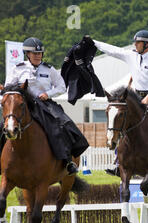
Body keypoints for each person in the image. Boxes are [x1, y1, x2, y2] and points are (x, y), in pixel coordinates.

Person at [86, 31, 148, 173]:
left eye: (138, 42)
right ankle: (118, 164)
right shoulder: (131, 56)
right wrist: (94, 42)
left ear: (146, 44)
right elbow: (114, 51)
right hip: (135, 99)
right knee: (122, 125)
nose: (135, 44)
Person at [1, 37, 89, 175]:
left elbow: (61, 87)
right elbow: (8, 89)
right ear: (27, 54)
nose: (38, 56)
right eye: (35, 54)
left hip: (44, 104)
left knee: (62, 124)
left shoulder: (49, 69)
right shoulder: (17, 69)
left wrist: (48, 94)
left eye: (40, 53)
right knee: (3, 126)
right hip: (21, 105)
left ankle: (67, 161)